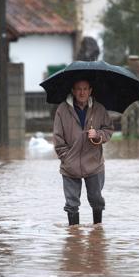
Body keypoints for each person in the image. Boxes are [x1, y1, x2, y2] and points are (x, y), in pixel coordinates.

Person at [53, 79, 114, 226]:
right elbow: (58, 138)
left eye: (85, 89)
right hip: (70, 165)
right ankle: (74, 237)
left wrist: (98, 134)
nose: (82, 92)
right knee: (71, 203)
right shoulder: (62, 110)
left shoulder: (99, 109)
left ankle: (97, 232)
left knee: (96, 200)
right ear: (73, 91)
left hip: (94, 163)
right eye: (78, 89)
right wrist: (66, 158)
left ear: (90, 91)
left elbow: (109, 130)